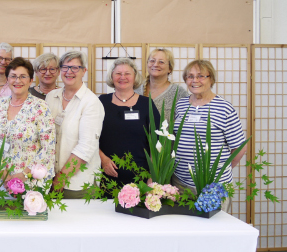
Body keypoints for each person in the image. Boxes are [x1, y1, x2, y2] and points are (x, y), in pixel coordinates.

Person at [173, 60, 247, 212]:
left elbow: (239, 147)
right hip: (180, 183)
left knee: (211, 232)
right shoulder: (181, 105)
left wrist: (223, 169)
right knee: (183, 230)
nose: (195, 80)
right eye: (190, 76)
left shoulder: (224, 108)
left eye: (201, 76)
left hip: (213, 186)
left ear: (211, 79)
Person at [45, 51, 105, 199]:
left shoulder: (91, 103)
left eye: (74, 68)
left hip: (77, 183)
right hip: (49, 179)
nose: (69, 72)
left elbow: (86, 147)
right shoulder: (51, 97)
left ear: (84, 71)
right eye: (65, 67)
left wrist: (61, 179)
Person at [99, 58, 161, 198]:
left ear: (135, 77)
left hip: (140, 179)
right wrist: (102, 159)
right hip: (106, 178)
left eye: (127, 73)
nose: (122, 77)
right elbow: (90, 136)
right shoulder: (101, 102)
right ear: (111, 76)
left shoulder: (147, 104)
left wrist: (151, 179)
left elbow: (156, 144)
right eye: (118, 73)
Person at [0, 57, 55, 184]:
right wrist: (2, 172)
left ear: (30, 81)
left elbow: (48, 148)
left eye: (23, 76)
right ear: (7, 79)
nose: (17, 80)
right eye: (13, 76)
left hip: (31, 180)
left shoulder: (40, 107)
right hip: (1, 179)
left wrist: (25, 174)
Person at [138, 49, 189, 121]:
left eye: (161, 62)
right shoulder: (136, 89)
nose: (155, 65)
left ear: (170, 69)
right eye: (152, 61)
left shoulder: (179, 93)